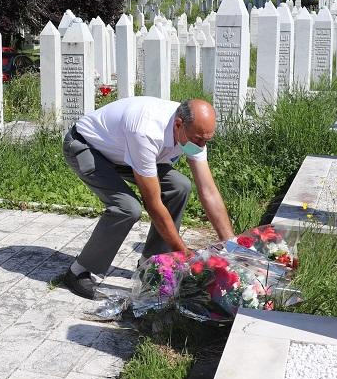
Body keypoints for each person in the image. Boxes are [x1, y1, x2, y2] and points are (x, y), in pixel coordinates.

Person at [61, 97, 235, 299]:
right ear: (178, 124)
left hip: (124, 153)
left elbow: (208, 190)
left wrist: (232, 246)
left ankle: (150, 264)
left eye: (206, 140)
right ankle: (78, 272)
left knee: (179, 187)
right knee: (127, 208)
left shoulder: (194, 131)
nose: (202, 146)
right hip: (88, 147)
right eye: (198, 140)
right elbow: (153, 204)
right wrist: (184, 255)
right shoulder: (147, 130)